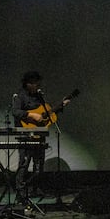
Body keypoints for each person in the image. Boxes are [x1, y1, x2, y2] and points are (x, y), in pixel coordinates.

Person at [11, 71, 69, 209]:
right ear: (28, 83)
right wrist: (30, 115)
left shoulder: (39, 97)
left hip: (40, 136)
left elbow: (46, 114)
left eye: (38, 83)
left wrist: (61, 106)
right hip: (25, 136)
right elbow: (15, 111)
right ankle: (20, 192)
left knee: (38, 167)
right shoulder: (20, 96)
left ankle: (33, 189)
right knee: (23, 165)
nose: (38, 86)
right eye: (35, 83)